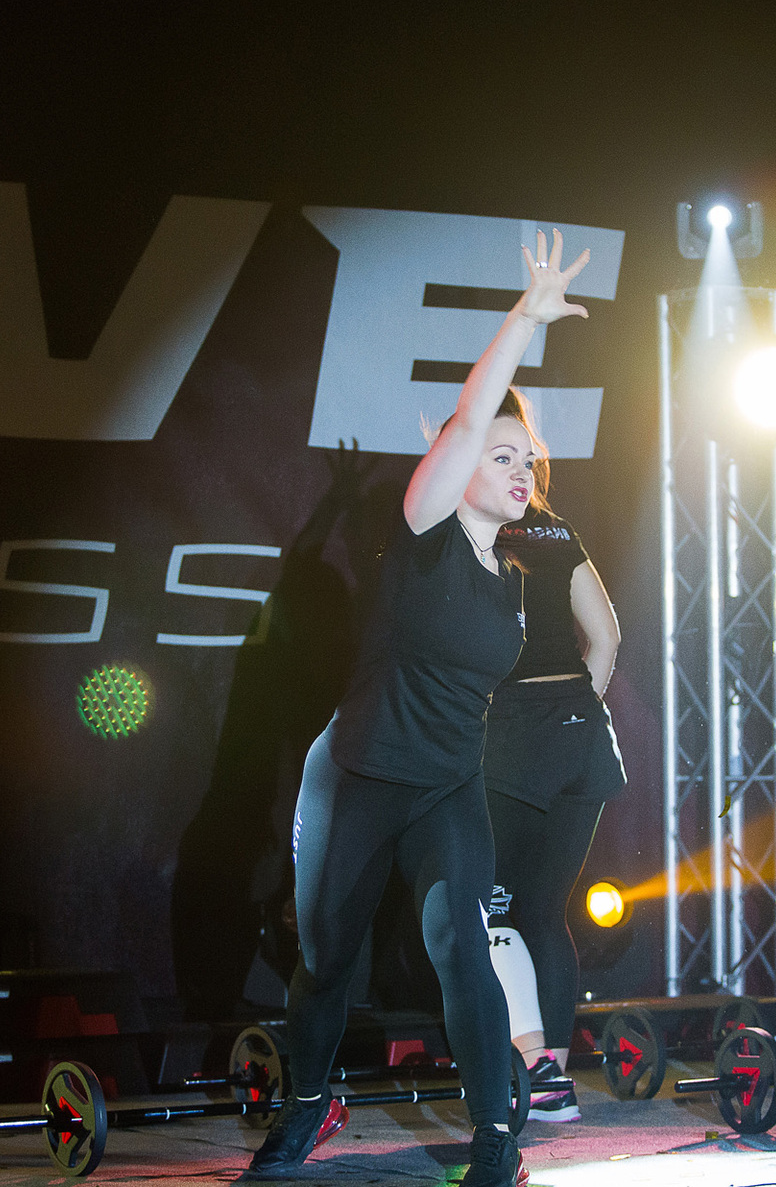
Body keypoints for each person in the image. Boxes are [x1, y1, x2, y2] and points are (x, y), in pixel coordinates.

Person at [248, 230, 590, 1187]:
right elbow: (473, 413)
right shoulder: (424, 534)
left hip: (447, 789)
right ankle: (307, 1104)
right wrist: (525, 318)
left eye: (530, 459)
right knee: (327, 962)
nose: (521, 469)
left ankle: (493, 1137)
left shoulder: (513, 579)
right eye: (501, 455)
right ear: (458, 461)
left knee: (461, 949)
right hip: (357, 776)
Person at [482, 479, 623, 1123]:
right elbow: (607, 638)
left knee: (493, 910)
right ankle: (553, 1083)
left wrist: (529, 722)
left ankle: (535, 1070)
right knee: (544, 911)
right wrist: (572, 712)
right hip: (583, 735)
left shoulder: (468, 530)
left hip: (514, 733)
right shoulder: (556, 529)